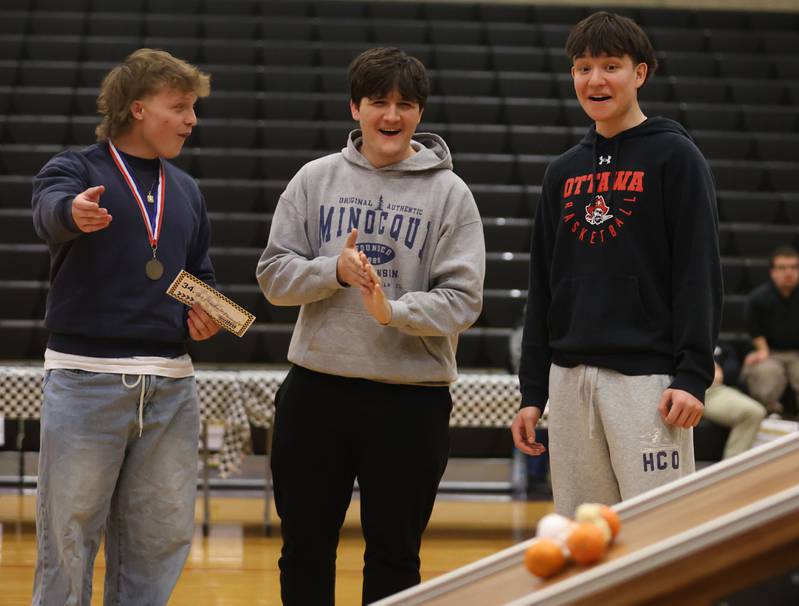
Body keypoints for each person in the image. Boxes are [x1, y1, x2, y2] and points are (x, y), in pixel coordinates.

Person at [256, 47, 485, 605]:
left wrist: (395, 312)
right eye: (378, 102)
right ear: (354, 107)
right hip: (317, 391)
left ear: (420, 114)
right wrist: (332, 270)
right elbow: (272, 277)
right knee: (305, 549)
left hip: (410, 400)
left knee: (394, 555)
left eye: (405, 104)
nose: (392, 115)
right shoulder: (315, 180)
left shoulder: (449, 193)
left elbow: (464, 300)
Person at [510, 12, 722, 517]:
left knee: (661, 534)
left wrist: (692, 376)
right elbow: (544, 284)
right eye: (583, 68)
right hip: (567, 379)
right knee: (582, 538)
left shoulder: (676, 156)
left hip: (648, 384)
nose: (595, 80)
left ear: (640, 73)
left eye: (611, 66)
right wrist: (533, 390)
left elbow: (699, 271)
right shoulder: (562, 171)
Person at [31, 48, 220, 605]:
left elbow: (198, 274)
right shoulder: (76, 168)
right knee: (67, 537)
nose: (192, 120)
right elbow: (48, 210)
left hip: (170, 385)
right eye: (180, 107)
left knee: (159, 541)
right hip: (86, 379)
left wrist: (203, 316)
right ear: (137, 108)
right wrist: (72, 214)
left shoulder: (187, 190)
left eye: (192, 109)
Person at [741, 245, 799, 416]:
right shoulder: (758, 297)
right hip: (770, 352)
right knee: (766, 372)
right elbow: (754, 329)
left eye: (794, 267)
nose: (788, 273)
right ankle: (769, 414)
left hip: (798, 353)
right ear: (772, 272)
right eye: (782, 268)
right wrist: (762, 350)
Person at [704, 344, 766, 459]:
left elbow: (733, 372)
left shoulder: (723, 347)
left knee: (755, 411)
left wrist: (718, 370)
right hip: (694, 388)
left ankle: (733, 468)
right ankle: (732, 470)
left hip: (717, 386)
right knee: (752, 412)